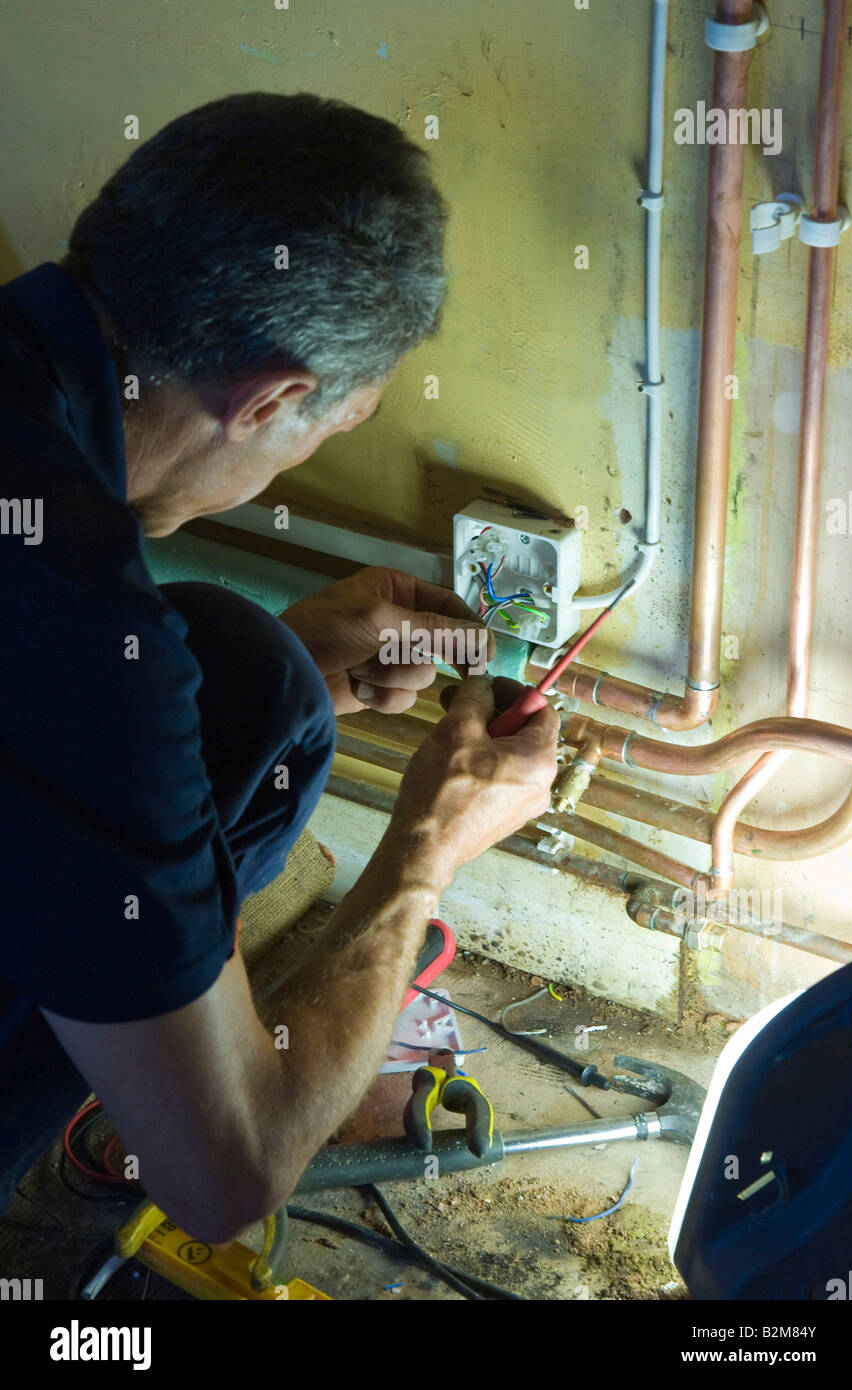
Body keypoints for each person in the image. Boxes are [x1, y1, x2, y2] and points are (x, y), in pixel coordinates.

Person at [0, 92, 559, 1241]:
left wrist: (299, 668)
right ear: (272, 400)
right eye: (330, 426)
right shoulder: (82, 632)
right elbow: (227, 1179)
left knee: (248, 665)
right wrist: (423, 854)